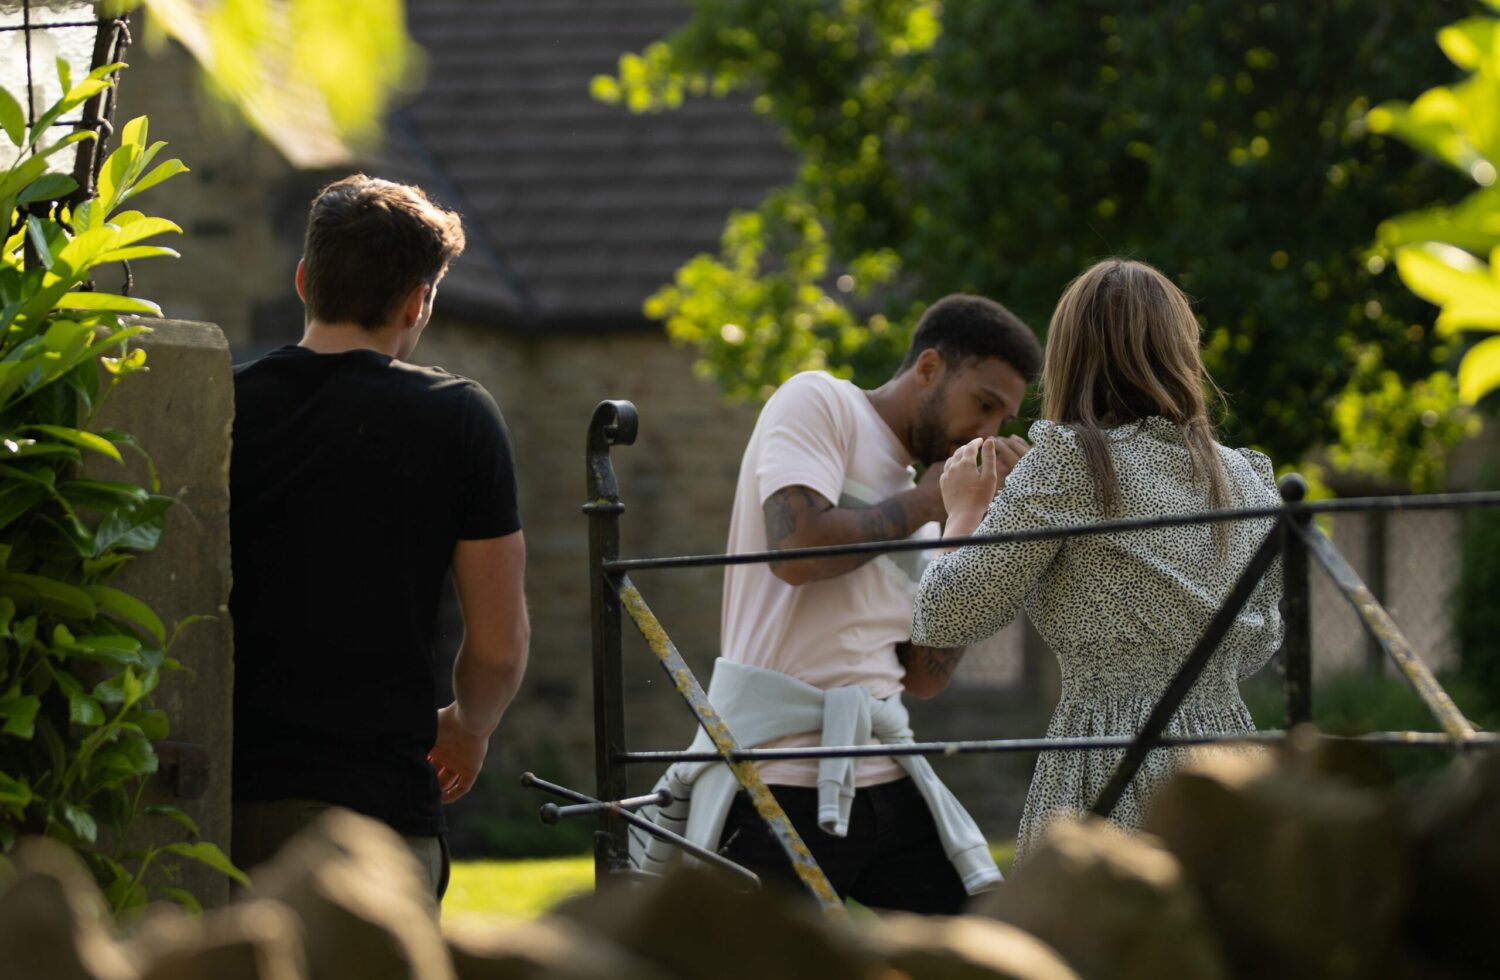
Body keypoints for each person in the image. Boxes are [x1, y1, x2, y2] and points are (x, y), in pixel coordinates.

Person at [633, 295, 1043, 913]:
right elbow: (795, 550)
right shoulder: (822, 401)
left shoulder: (934, 502)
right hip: (778, 776)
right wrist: (931, 505)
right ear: (929, 368)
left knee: (983, 946)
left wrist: (971, 526)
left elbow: (925, 676)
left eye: (1002, 418)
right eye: (983, 404)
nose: (987, 433)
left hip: (886, 777)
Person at [911, 258, 1283, 863]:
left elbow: (946, 615)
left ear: (1072, 353)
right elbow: (1264, 637)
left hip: (1112, 755)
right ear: (1181, 348)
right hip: (1230, 758)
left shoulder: (1071, 462)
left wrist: (964, 511)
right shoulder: (1245, 475)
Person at [228, 175, 530, 901]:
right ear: (417, 301)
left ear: (304, 279)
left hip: (228, 807)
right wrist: (469, 726)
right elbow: (496, 644)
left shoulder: (224, 403)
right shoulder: (458, 418)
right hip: (379, 815)